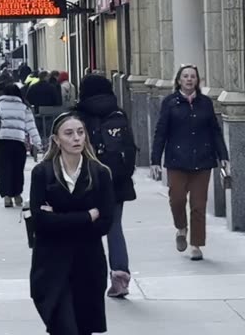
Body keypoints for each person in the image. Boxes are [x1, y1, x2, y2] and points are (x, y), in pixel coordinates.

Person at [29, 112, 115, 335]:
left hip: (88, 263)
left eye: (80, 132)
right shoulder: (42, 173)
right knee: (64, 327)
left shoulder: (99, 173)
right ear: (56, 140)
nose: (76, 138)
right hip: (51, 265)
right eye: (69, 133)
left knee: (83, 327)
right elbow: (40, 222)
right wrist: (86, 216)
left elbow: (105, 222)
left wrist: (58, 218)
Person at [151, 65, 231, 261]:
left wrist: (224, 156)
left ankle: (196, 244)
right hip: (177, 160)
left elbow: (215, 131)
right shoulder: (170, 103)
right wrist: (155, 160)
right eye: (185, 76)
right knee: (176, 200)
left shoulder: (205, 103)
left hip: (202, 160)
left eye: (192, 76)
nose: (189, 79)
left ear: (197, 80)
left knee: (198, 204)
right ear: (179, 80)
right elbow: (161, 132)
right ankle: (181, 228)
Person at [74, 74, 137, 298]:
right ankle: (120, 276)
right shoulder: (118, 113)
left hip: (86, 182)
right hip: (116, 182)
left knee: (85, 228)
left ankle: (88, 277)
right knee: (114, 227)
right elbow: (130, 149)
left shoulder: (77, 117)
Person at [0, 82, 42, 207]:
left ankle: (6, 196)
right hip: (18, 142)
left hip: (3, 141)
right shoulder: (24, 107)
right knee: (17, 170)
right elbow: (31, 126)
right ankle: (17, 195)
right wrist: (38, 143)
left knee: (3, 169)